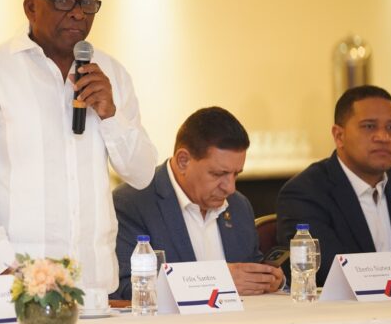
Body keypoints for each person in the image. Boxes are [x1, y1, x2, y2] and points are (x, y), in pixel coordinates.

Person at [0, 0, 157, 293]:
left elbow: (141, 174)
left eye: (87, 4)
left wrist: (111, 115)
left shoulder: (112, 73)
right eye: (63, 1)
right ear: (31, 7)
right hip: (16, 285)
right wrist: (3, 262)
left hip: (94, 285)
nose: (78, 13)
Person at [111, 107, 284, 299]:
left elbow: (251, 267)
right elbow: (125, 288)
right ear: (183, 161)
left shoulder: (239, 206)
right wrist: (217, 281)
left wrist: (269, 279)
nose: (230, 188)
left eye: (236, 174)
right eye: (218, 174)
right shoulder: (132, 203)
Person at [277, 85, 391, 285]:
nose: (383, 137)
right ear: (339, 136)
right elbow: (333, 271)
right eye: (369, 126)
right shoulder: (305, 192)